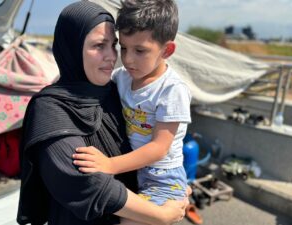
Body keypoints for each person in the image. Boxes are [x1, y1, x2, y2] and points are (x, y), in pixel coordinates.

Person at [17, 1, 189, 225]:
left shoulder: (111, 91)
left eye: (113, 45)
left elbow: (160, 146)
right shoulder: (50, 108)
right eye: (99, 46)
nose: (117, 57)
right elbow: (86, 183)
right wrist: (162, 216)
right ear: (72, 47)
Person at [72, 0, 191, 223]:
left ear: (167, 50)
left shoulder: (172, 90)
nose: (127, 59)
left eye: (140, 50)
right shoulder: (123, 77)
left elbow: (159, 148)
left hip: (162, 178)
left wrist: (109, 165)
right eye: (124, 48)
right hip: (135, 173)